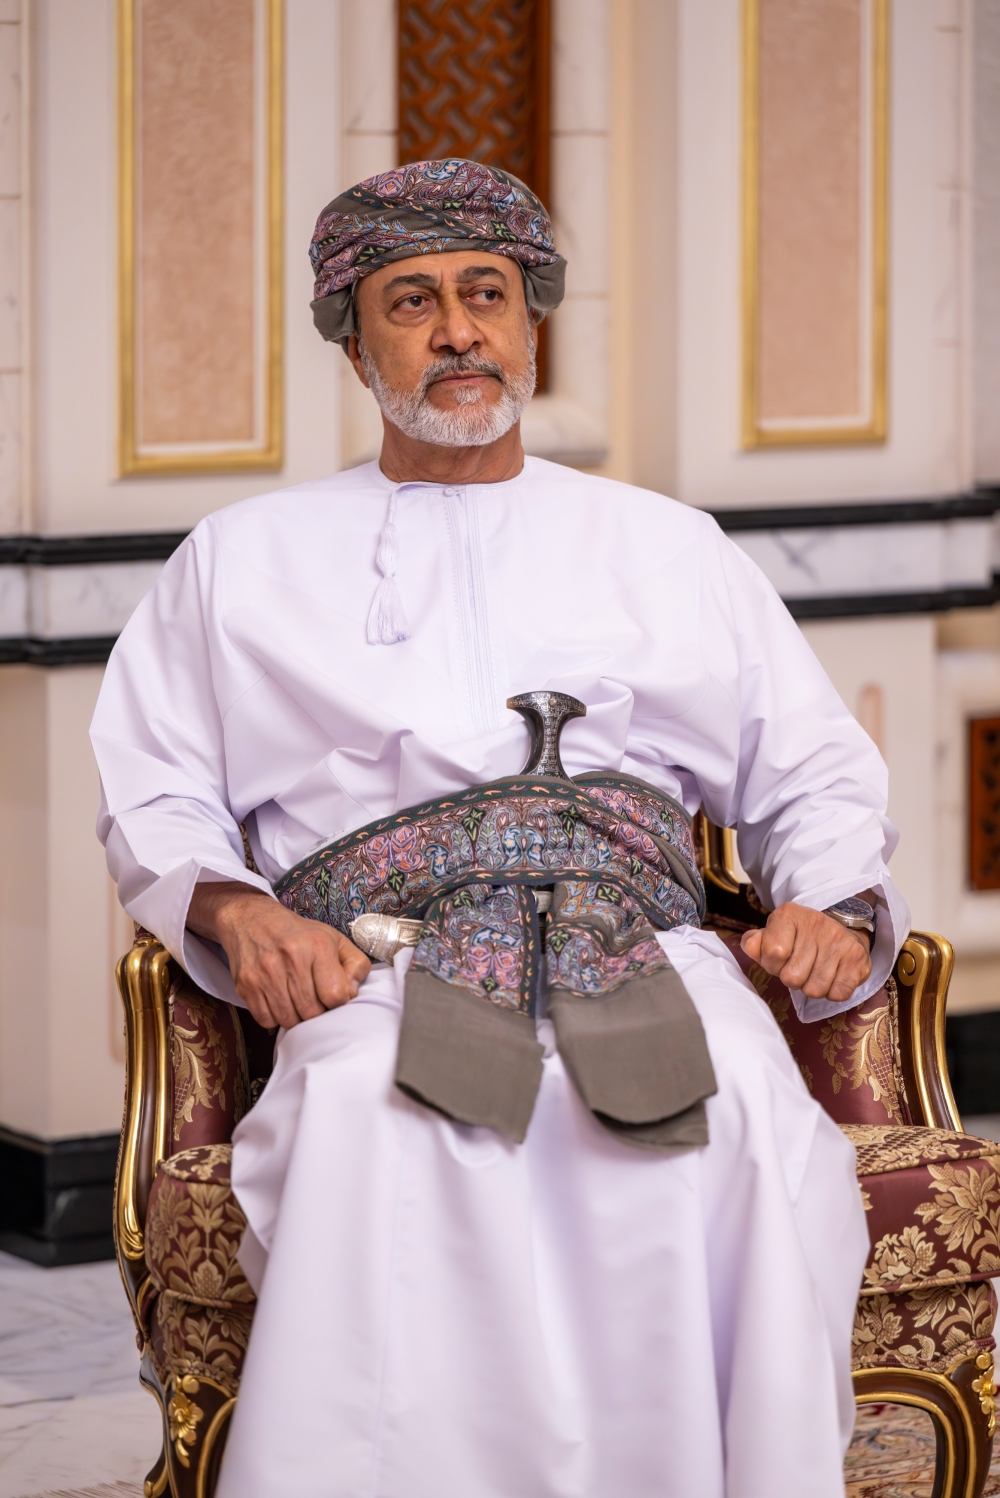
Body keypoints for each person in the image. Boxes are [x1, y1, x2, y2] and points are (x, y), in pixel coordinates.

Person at [92, 158, 904, 1497]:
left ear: (533, 322)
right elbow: (155, 786)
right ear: (355, 343)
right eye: (412, 301)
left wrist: (828, 897)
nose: (458, 330)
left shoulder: (671, 545)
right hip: (384, 965)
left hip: (641, 947)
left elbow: (812, 768)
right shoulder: (240, 558)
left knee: (733, 1115)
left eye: (488, 294)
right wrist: (240, 913)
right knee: (378, 1122)